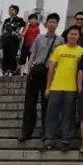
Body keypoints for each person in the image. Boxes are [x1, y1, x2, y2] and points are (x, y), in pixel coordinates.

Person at [19, 13, 62, 142]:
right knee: (29, 103)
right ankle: (26, 131)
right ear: (46, 24)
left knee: (46, 104)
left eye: (54, 22)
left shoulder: (60, 40)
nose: (52, 24)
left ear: (57, 24)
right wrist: (29, 69)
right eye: (50, 22)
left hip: (49, 72)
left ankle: (45, 131)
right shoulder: (39, 38)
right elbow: (33, 54)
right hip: (36, 71)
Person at [42, 25, 83, 152]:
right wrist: (48, 87)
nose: (73, 36)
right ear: (67, 35)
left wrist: (79, 87)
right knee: (52, 114)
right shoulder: (59, 49)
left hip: (71, 88)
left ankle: (66, 140)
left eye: (75, 34)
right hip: (56, 87)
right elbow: (51, 69)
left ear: (79, 36)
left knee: (68, 115)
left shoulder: (81, 51)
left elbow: (81, 71)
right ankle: (49, 139)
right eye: (71, 34)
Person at [0, 5, 25, 76]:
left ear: (16, 11)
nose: (10, 11)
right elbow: (3, 28)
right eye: (9, 9)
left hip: (14, 40)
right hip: (6, 39)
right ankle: (5, 70)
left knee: (12, 55)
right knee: (5, 55)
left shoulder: (19, 19)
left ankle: (12, 70)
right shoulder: (6, 20)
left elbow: (25, 26)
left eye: (12, 9)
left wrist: (22, 33)